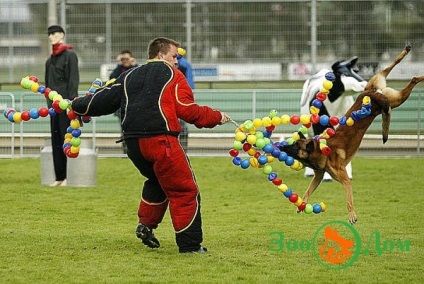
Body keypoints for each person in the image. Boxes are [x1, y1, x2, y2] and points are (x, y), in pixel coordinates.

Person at [70, 37, 231, 253]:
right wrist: (217, 116)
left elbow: (102, 100)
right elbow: (187, 110)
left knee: (157, 180)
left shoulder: (128, 75)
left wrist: (76, 105)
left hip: (133, 145)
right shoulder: (173, 74)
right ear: (161, 55)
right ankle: (190, 246)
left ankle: (145, 225)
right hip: (161, 141)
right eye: (174, 56)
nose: (177, 60)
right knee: (184, 190)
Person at [45, 25, 79, 187]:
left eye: (54, 33)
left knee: (68, 140)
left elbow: (73, 80)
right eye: (49, 34)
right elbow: (48, 85)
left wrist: (71, 103)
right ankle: (59, 177)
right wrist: (50, 105)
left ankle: (68, 177)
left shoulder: (69, 55)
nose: (51, 36)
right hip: (54, 108)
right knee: (56, 141)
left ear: (62, 35)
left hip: (66, 106)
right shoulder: (49, 60)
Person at [109, 50, 138, 154]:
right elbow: (112, 79)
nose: (125, 61)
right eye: (123, 59)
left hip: (134, 105)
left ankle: (135, 151)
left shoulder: (136, 69)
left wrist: (134, 65)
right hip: (122, 106)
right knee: (124, 130)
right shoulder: (119, 70)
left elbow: (140, 77)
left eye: (127, 59)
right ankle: (126, 151)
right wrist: (118, 65)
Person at [176, 47, 195, 151]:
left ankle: (182, 149)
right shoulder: (183, 63)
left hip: (181, 98)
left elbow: (190, 81)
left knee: (181, 125)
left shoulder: (184, 64)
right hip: (178, 97)